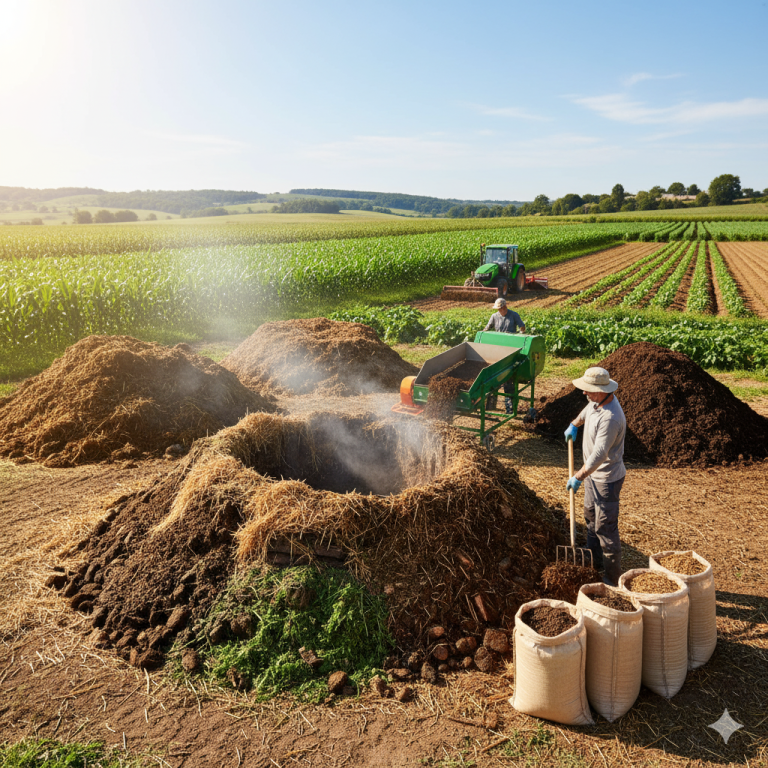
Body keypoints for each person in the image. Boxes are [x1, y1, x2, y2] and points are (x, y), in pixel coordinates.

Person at [563, 367, 626, 586]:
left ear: (602, 391)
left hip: (606, 478)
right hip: (592, 476)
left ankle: (612, 577)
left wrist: (578, 476)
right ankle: (593, 558)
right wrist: (574, 424)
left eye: (589, 390)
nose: (584, 393)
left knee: (605, 528)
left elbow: (599, 455)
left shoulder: (611, 418)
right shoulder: (596, 402)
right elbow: (586, 411)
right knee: (590, 517)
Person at [483, 298, 525, 413]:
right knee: (493, 378)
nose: (499, 311)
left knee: (508, 379)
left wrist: (520, 336)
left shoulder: (513, 315)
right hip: (497, 349)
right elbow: (487, 328)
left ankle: (510, 407)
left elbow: (522, 327)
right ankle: (490, 405)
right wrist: (484, 334)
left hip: (510, 350)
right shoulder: (494, 316)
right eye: (497, 309)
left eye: (500, 309)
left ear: (504, 307)